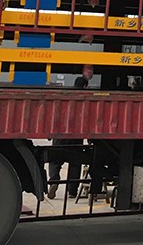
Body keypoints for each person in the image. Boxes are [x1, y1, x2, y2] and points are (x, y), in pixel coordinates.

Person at [47, 65, 94, 199]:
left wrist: (50, 133)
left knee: (55, 160)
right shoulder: (84, 101)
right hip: (75, 136)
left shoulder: (64, 98)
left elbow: (55, 116)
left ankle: (54, 180)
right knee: (75, 163)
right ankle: (72, 190)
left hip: (60, 135)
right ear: (84, 87)